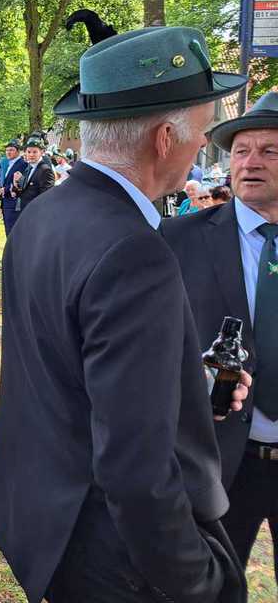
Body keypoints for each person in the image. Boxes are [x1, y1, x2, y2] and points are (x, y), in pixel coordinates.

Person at [0, 25, 251, 603]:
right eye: (203, 133)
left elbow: (68, 370)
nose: (204, 149)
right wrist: (195, 580)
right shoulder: (133, 250)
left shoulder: (43, 216)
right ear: (165, 138)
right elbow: (135, 468)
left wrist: (185, 384)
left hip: (51, 522)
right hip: (114, 553)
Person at [165, 91, 278, 585]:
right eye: (241, 151)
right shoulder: (177, 239)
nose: (250, 162)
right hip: (217, 462)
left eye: (270, 151)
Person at [8, 136, 54, 214]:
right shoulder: (28, 168)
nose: (31, 155)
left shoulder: (45, 170)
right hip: (23, 210)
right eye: (29, 152)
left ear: (42, 152)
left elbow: (46, 196)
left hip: (36, 212)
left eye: (35, 152)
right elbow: (23, 191)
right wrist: (16, 184)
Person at [0, 140, 26, 235]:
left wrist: (5, 189)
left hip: (14, 202)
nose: (8, 152)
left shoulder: (22, 164)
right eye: (7, 150)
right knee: (8, 230)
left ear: (18, 151)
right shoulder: (8, 163)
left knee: (12, 231)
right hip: (6, 201)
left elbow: (20, 183)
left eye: (11, 150)